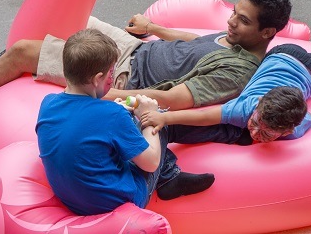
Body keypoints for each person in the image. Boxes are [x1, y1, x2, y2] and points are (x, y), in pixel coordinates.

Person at [0, 0, 292, 130]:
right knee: (70, 12)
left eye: (241, 20)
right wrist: (154, 30)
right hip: (136, 48)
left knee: (24, 51)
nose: (230, 22)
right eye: (233, 13)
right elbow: (196, 38)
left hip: (124, 75)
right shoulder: (234, 38)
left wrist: (104, 93)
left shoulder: (238, 71)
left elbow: (170, 101)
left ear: (267, 32)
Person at [36, 29, 214, 213]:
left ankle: (167, 173)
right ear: (98, 78)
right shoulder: (111, 115)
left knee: (126, 121)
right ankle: (169, 177)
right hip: (116, 203)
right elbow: (151, 163)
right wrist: (150, 115)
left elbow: (86, 126)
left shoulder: (48, 103)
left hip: (76, 200)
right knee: (157, 116)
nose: (112, 79)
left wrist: (120, 113)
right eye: (111, 73)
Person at [139, 43, 311, 145]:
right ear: (259, 103)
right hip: (281, 54)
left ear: (285, 132)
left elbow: (306, 118)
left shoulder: (295, 127)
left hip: (309, 75)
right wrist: (164, 118)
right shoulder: (247, 107)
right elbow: (205, 116)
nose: (255, 132)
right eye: (256, 122)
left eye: (267, 133)